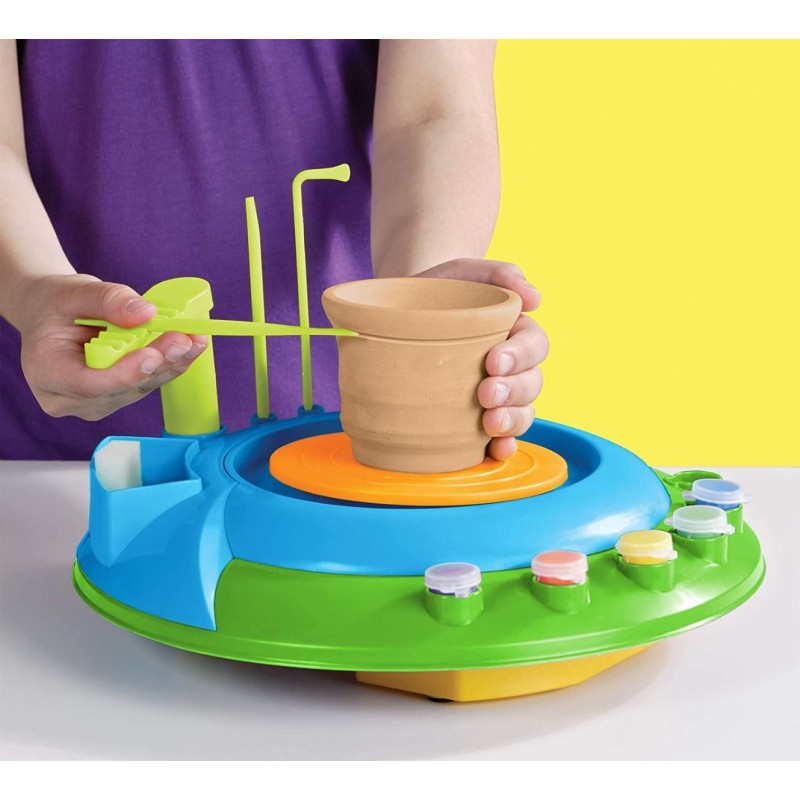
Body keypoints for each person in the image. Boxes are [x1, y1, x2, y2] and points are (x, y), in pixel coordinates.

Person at [0, 40, 548, 461]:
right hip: (41, 447)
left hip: (333, 437)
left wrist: (419, 311)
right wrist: (33, 287)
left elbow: (434, 110)